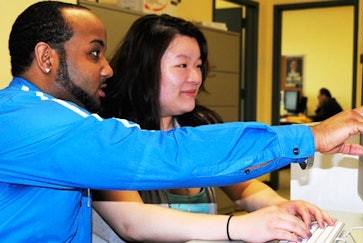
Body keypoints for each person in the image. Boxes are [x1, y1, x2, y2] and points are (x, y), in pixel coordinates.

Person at [0, 1, 363, 242]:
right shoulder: (33, 124)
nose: (107, 68)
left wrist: (279, 212)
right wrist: (309, 135)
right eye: (94, 54)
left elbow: (228, 175)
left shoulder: (48, 116)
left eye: (199, 66)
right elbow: (158, 160)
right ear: (47, 57)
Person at [92, 14, 336, 243]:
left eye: (198, 66)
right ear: (144, 69)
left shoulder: (199, 125)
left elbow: (242, 184)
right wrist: (239, 226)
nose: (196, 77)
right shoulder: (110, 137)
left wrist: (277, 205)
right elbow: (133, 223)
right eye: (182, 65)